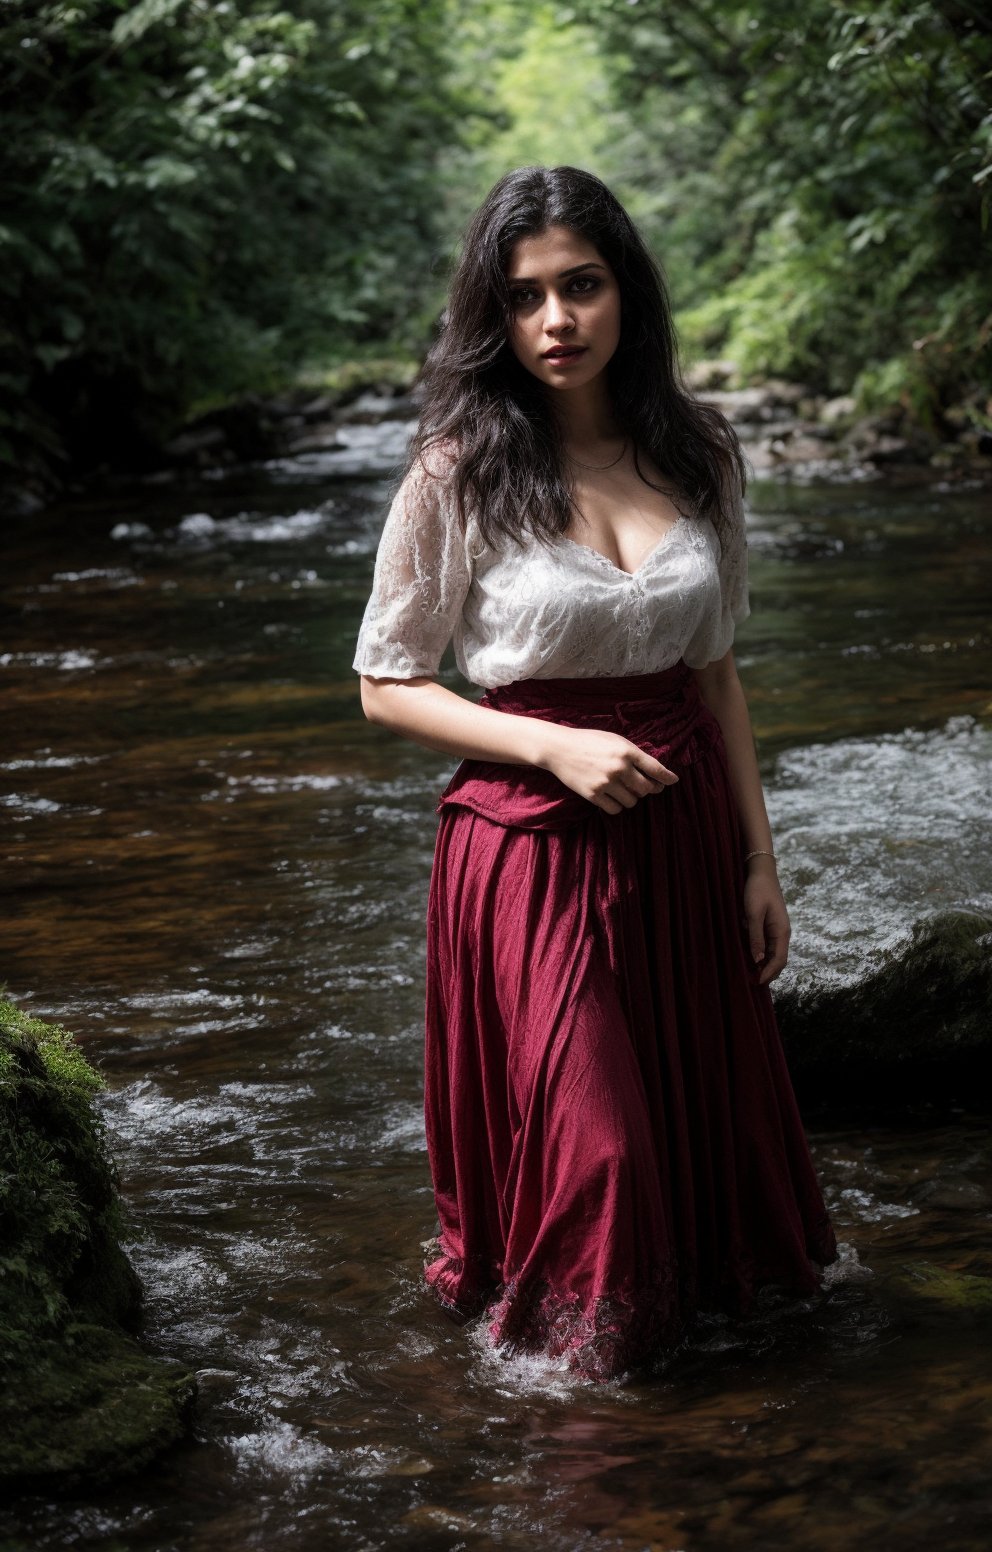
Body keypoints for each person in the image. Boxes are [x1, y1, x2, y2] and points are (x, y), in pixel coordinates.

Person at [353, 165, 839, 1382]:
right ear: (493, 317)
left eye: (581, 285)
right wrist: (551, 744)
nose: (556, 320)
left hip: (678, 837)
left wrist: (759, 864)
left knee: (699, 1148)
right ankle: (590, 1417)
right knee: (603, 1150)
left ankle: (697, 1365)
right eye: (523, 298)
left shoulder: (698, 452)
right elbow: (385, 682)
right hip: (529, 847)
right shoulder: (456, 469)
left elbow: (716, 674)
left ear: (627, 292)